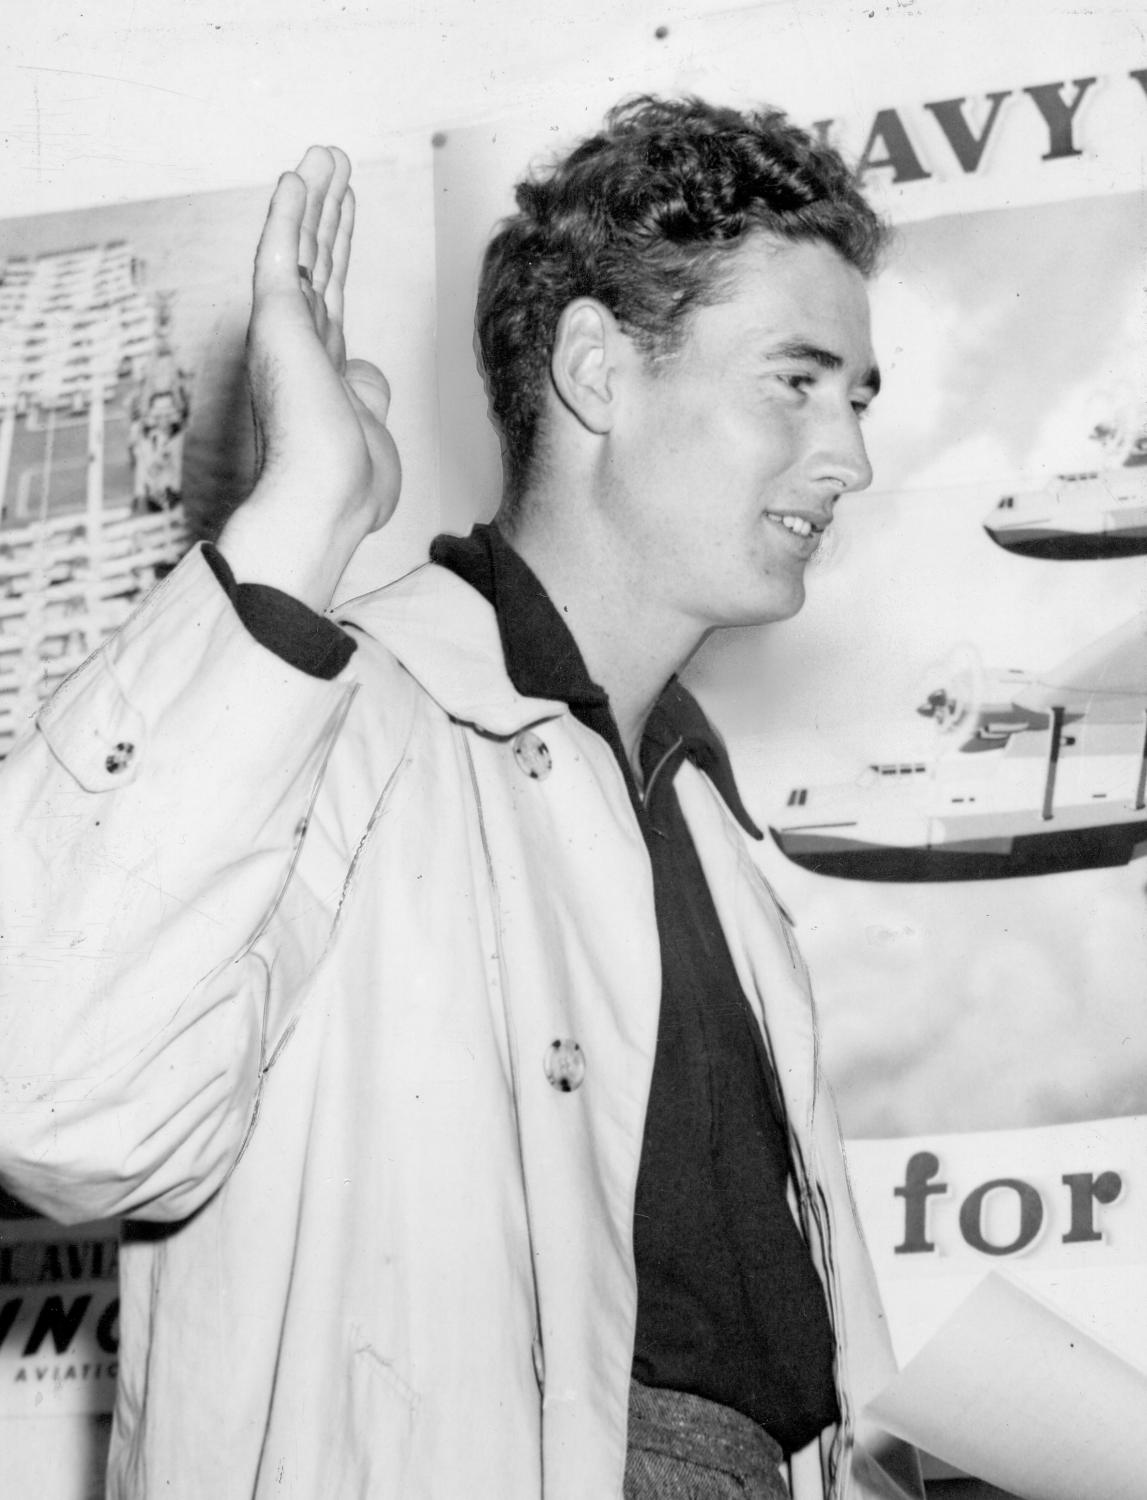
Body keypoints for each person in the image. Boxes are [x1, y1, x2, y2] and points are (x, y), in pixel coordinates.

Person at [0, 99, 923, 1499]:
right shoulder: (349, 721)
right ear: (597, 371)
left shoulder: (704, 824)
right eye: (796, 382)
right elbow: (52, 1100)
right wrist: (303, 515)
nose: (849, 455)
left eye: (856, 399)